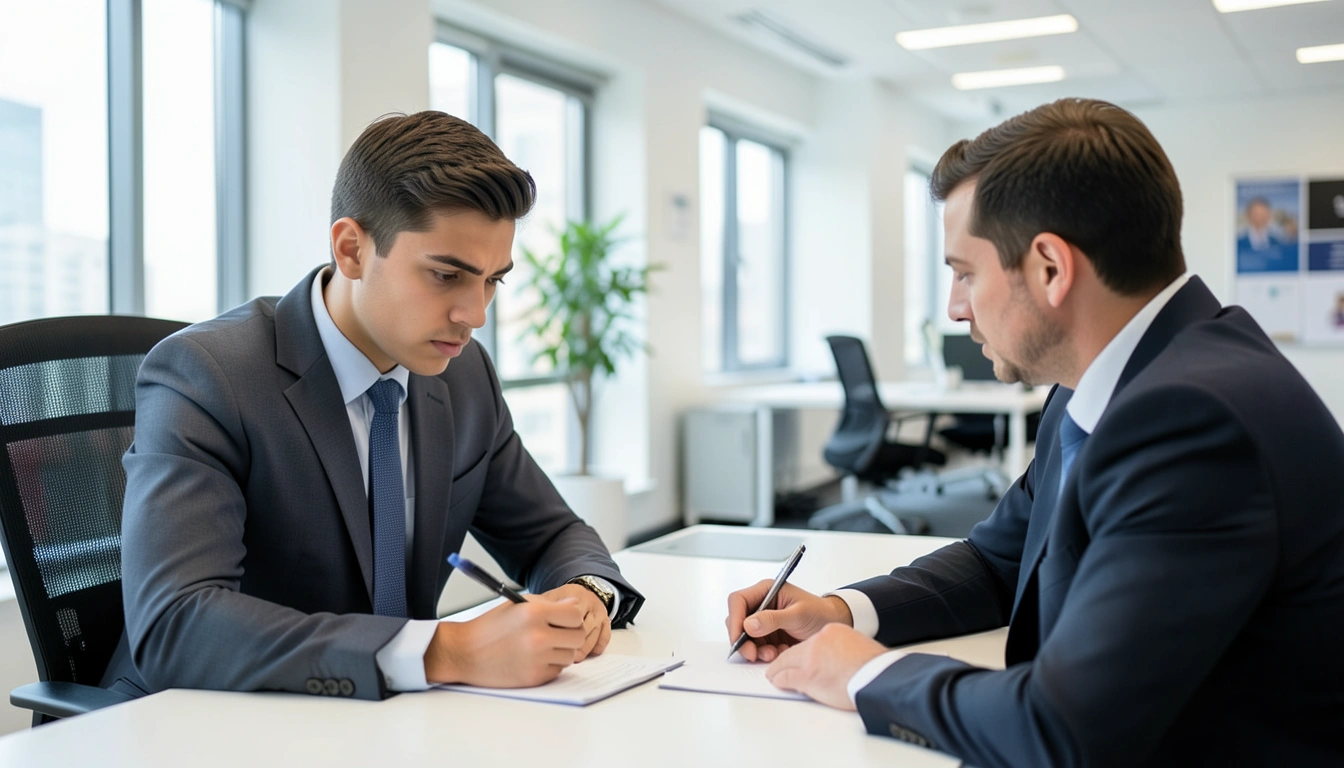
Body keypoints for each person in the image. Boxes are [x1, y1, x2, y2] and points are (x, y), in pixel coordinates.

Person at [726, 98, 1344, 766]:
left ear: (1050, 267)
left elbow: (1063, 731)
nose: (957, 308)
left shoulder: (1194, 420)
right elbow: (1003, 558)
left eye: (964, 273)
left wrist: (863, 674)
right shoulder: (1107, 381)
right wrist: (841, 612)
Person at [102, 111, 643, 701]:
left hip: (385, 730)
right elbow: (176, 625)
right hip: (206, 727)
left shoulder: (464, 377)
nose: (475, 313)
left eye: (493, 280)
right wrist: (449, 649)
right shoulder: (208, 376)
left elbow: (550, 533)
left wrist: (587, 593)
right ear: (352, 248)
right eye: (445, 275)